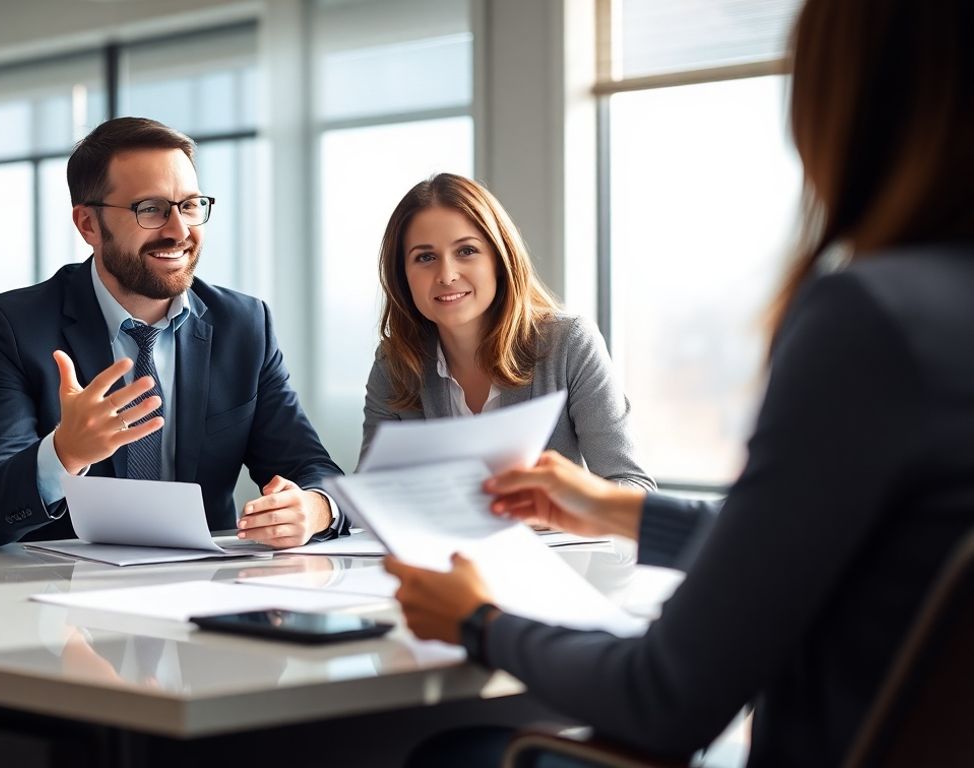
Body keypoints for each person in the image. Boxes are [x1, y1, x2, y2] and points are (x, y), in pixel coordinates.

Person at [384, 0, 974, 764]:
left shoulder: (872, 321)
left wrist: (477, 623)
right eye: (422, 258)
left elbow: (664, 697)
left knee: (450, 754)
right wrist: (620, 509)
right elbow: (802, 552)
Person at [0, 117, 347, 550]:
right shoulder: (13, 327)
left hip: (204, 589)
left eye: (191, 205)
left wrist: (313, 508)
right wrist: (64, 453)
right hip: (59, 594)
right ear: (88, 225)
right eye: (151, 209)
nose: (179, 231)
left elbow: (312, 468)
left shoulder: (244, 325)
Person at [362, 173, 653, 492]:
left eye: (466, 251)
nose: (446, 275)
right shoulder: (395, 365)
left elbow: (634, 486)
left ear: (499, 260)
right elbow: (372, 493)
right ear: (403, 276)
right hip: (443, 543)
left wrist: (554, 510)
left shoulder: (569, 344)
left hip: (548, 541)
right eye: (425, 257)